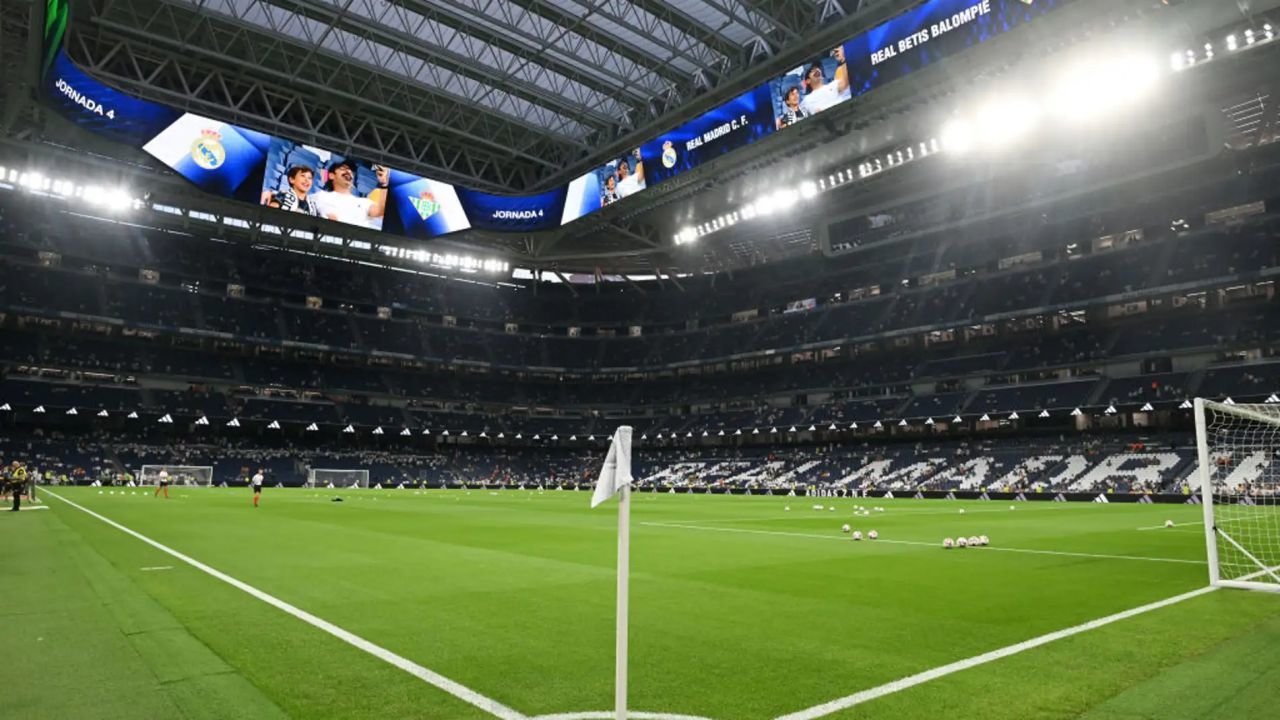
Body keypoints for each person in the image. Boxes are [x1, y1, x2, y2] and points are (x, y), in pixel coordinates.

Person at [311, 159, 389, 229]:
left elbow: (380, 211)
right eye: (343, 169)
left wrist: (384, 183)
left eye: (350, 170)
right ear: (331, 176)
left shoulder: (364, 202)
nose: (348, 171)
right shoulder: (320, 196)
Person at [800, 49, 850, 117]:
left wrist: (843, 61)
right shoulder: (806, 100)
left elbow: (845, 84)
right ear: (808, 81)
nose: (816, 70)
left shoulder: (833, 85)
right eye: (812, 71)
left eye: (818, 69)